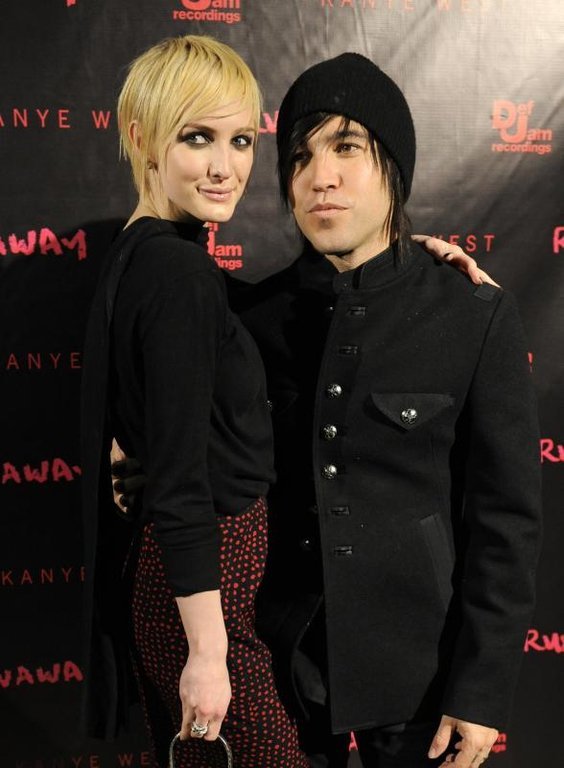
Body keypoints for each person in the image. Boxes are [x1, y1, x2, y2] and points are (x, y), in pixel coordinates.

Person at [108, 48, 537, 768]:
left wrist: (482, 689)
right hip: (276, 667)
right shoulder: (247, 318)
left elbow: (506, 523)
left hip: (420, 678)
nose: (320, 177)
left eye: (346, 148)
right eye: (300, 157)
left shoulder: (473, 315)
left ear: (394, 166)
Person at [80, 35, 310, 768]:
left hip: (180, 589)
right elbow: (182, 482)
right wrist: (209, 654)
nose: (225, 166)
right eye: (197, 137)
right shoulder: (178, 274)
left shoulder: (143, 253)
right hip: (203, 601)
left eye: (240, 140)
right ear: (142, 139)